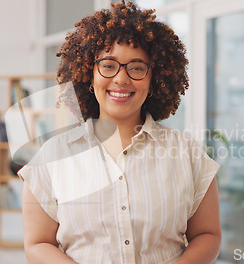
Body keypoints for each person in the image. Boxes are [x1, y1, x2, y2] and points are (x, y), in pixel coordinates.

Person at [18, 1, 221, 263]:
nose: (121, 79)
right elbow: (38, 243)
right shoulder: (53, 156)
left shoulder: (187, 154)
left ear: (154, 78)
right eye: (108, 65)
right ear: (89, 75)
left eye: (136, 67)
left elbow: (207, 235)